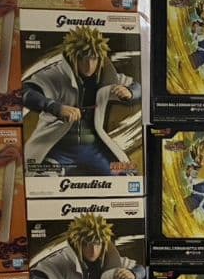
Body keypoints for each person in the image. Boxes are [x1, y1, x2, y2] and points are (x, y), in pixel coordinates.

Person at [22, 27, 139, 176]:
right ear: (73, 57)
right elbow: (25, 92)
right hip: (57, 149)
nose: (89, 65)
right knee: (44, 177)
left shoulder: (106, 76)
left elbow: (136, 87)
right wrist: (55, 107)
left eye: (94, 58)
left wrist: (130, 92)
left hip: (93, 150)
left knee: (125, 176)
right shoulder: (56, 75)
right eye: (83, 58)